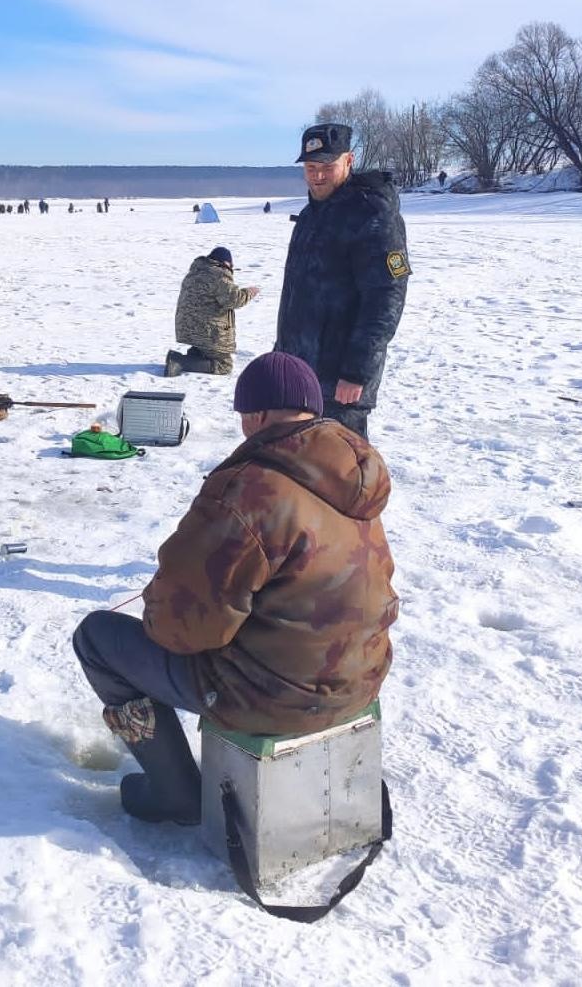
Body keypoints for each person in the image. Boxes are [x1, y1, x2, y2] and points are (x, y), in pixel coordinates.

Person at [72, 352, 398, 824]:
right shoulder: (356, 478)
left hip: (274, 699)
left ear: (256, 416)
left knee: (97, 640)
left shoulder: (248, 491)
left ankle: (174, 793)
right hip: (359, 681)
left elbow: (183, 631)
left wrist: (159, 601)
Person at [275, 122, 409, 440]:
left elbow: (386, 298)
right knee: (300, 468)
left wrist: (357, 371)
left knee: (340, 473)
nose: (317, 175)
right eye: (310, 167)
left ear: (348, 160)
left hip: (341, 382)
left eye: (326, 166)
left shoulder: (372, 215)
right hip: (301, 372)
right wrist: (282, 353)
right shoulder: (311, 216)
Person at [164, 246, 259, 376]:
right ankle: (180, 361)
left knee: (206, 350)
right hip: (206, 331)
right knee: (224, 365)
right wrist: (249, 292)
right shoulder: (218, 274)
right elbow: (234, 299)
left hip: (188, 328)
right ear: (225, 262)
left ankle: (196, 353)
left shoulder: (195, 272)